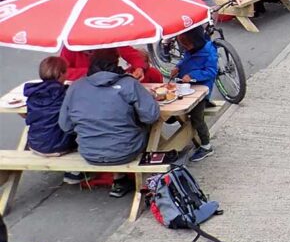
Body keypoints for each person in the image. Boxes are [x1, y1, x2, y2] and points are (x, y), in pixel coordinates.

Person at [59, 48, 160, 198]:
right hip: (126, 152)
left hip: (89, 152)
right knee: (139, 125)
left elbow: (66, 126)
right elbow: (151, 116)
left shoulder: (75, 87)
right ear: (116, 62)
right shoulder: (129, 84)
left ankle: (112, 176)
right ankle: (121, 178)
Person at [170, 28, 217, 162]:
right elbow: (185, 60)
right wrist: (178, 67)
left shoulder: (209, 51)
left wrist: (192, 75)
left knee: (197, 118)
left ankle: (206, 145)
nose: (185, 48)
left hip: (201, 89)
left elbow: (211, 71)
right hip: (185, 87)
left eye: (187, 45)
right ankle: (174, 118)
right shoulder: (190, 50)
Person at [25, 55, 75, 159]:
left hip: (35, 144)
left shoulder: (33, 93)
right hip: (61, 146)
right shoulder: (67, 94)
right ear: (61, 73)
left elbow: (28, 117)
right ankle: (74, 172)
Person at [60, 43, 162, 84]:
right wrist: (93, 72)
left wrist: (139, 67)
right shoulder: (69, 48)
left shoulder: (107, 40)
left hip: (109, 83)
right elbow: (63, 72)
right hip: (83, 85)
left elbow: (130, 53)